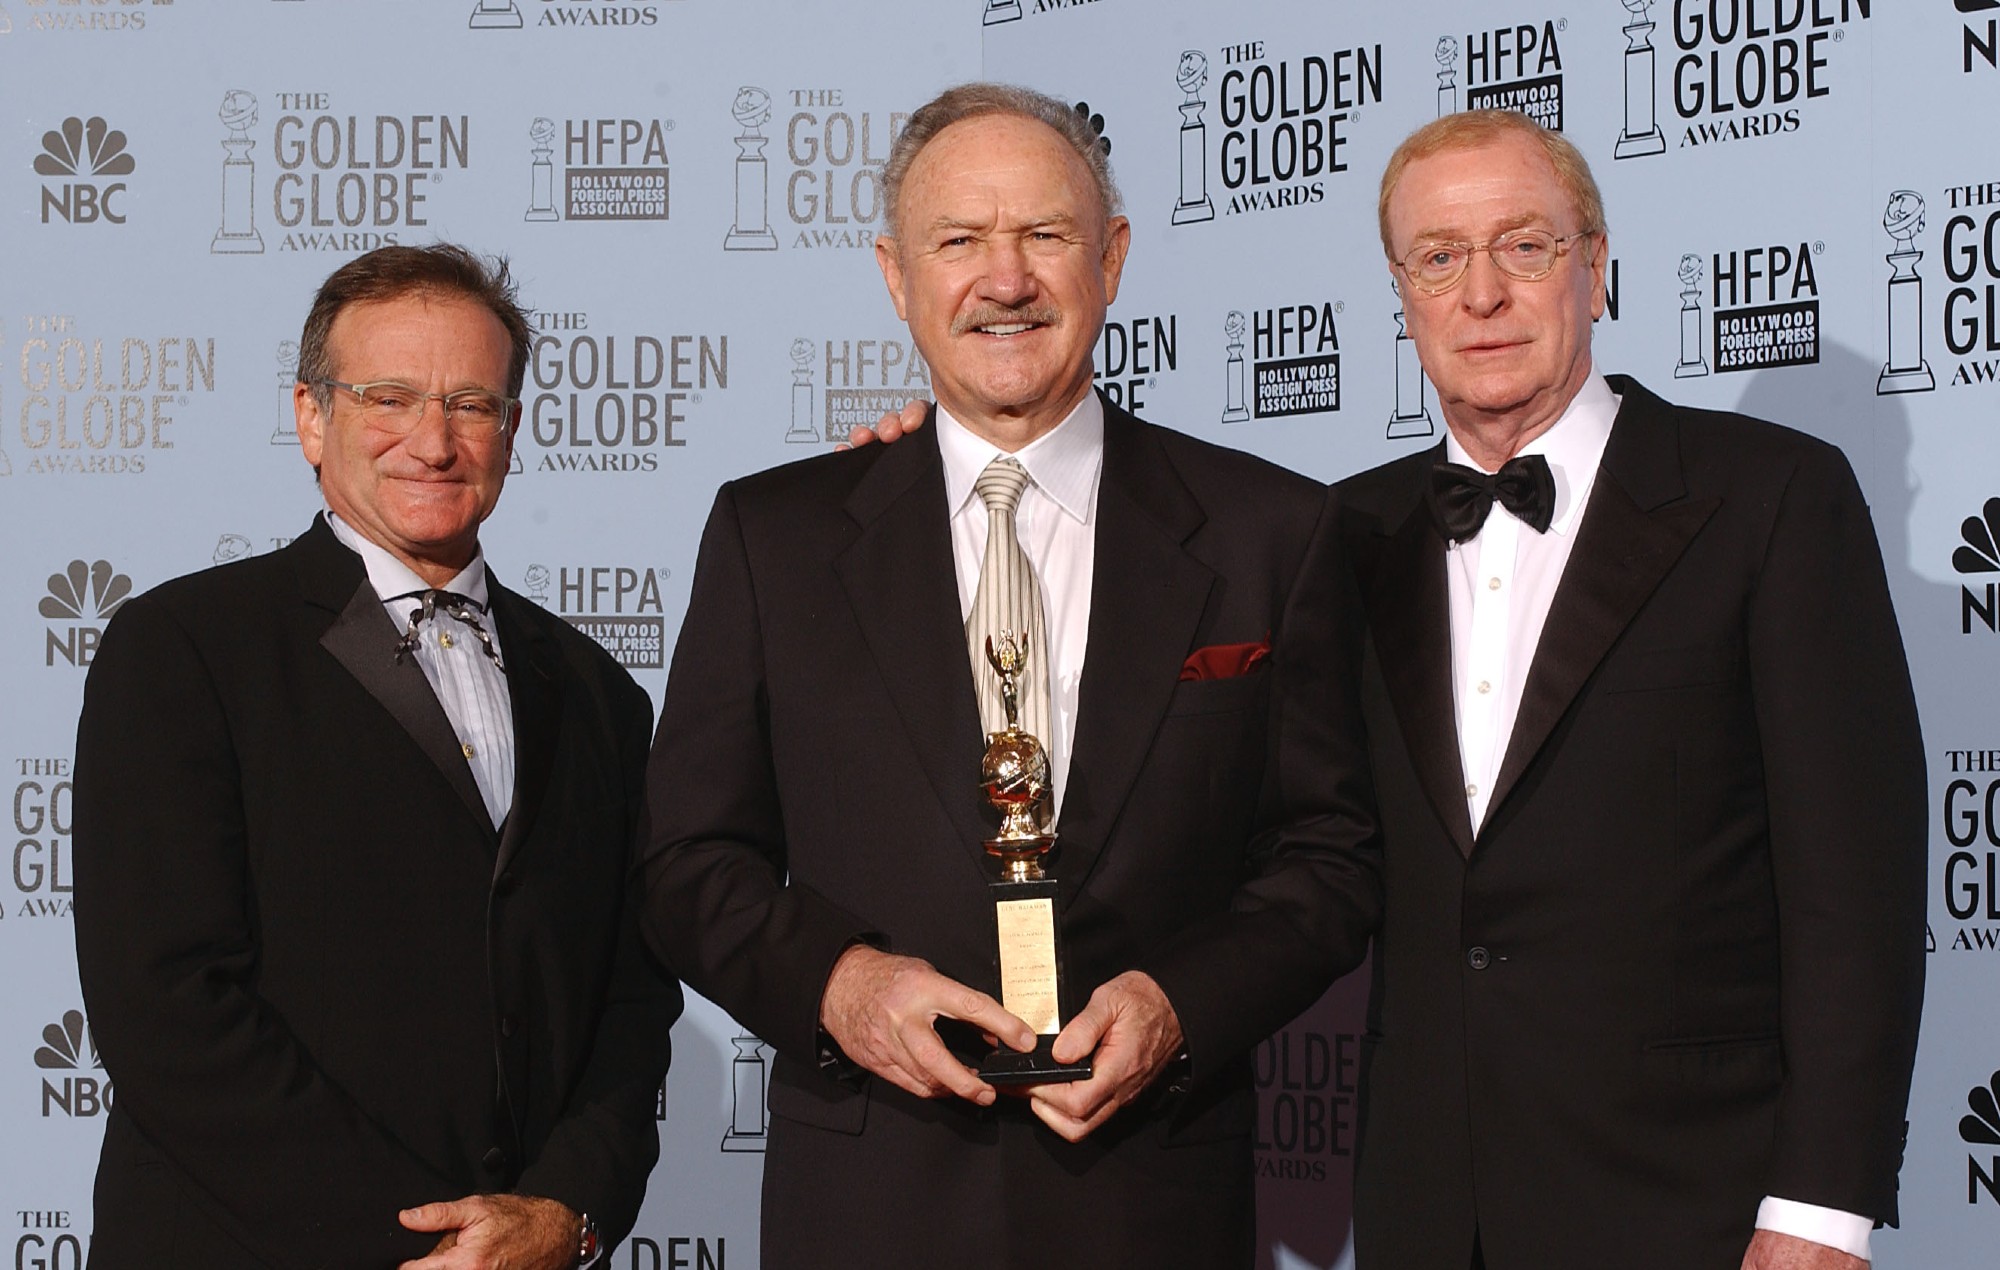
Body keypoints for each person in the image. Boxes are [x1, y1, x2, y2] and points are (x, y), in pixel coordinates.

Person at [640, 83, 1379, 1269]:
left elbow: (1329, 859)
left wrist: (1182, 1007)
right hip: (868, 1200)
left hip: (1150, 1198)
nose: (1005, 278)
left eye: (1043, 234)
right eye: (958, 240)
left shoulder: (1266, 531)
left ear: (1112, 258)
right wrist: (838, 984)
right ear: (895, 275)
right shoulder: (769, 538)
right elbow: (685, 863)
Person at [1334, 111, 1925, 1270]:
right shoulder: (1339, 537)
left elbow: (1851, 892)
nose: (1481, 294)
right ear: (1400, 292)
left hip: (1693, 1207)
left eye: (1522, 246)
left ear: (1594, 267)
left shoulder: (1768, 498)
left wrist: (1819, 1208)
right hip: (1423, 1212)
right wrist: (928, 474)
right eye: (1439, 258)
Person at [72, 244, 681, 1270]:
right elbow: (166, 1002)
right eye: (387, 398)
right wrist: (422, 1241)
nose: (433, 442)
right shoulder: (184, 648)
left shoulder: (596, 693)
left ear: (514, 431)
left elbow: (629, 1004)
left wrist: (561, 1213)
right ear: (311, 418)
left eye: (471, 405)